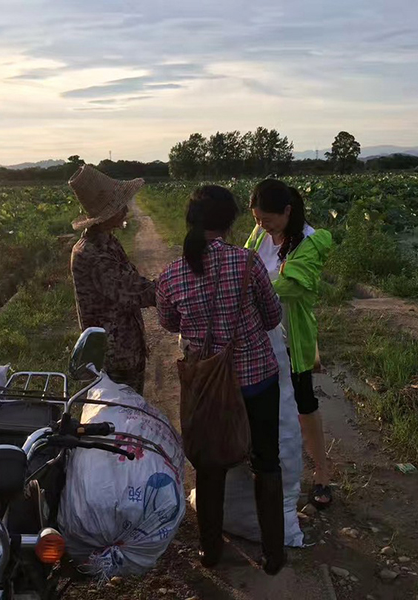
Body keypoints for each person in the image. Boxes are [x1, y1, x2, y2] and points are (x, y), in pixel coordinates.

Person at [155, 185, 287, 575]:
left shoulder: (171, 274)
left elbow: (169, 323)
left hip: (206, 385)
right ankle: (273, 554)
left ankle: (210, 551)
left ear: (190, 221)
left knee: (209, 464)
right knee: (266, 461)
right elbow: (272, 316)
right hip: (256, 379)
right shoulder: (247, 262)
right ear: (230, 223)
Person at [246, 178, 334, 509]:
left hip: (291, 335)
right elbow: (245, 263)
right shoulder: (260, 234)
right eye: (257, 219)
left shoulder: (310, 241)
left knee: (303, 402)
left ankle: (322, 473)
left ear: (287, 211)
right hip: (260, 336)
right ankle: (272, 468)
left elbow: (295, 287)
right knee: (263, 403)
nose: (261, 226)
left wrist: (250, 284)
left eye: (267, 220)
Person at [69, 164, 156, 395]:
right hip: (114, 358)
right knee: (121, 410)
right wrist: (173, 288)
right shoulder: (92, 253)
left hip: (125, 350)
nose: (125, 210)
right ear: (105, 216)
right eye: (118, 207)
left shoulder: (107, 242)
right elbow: (131, 290)